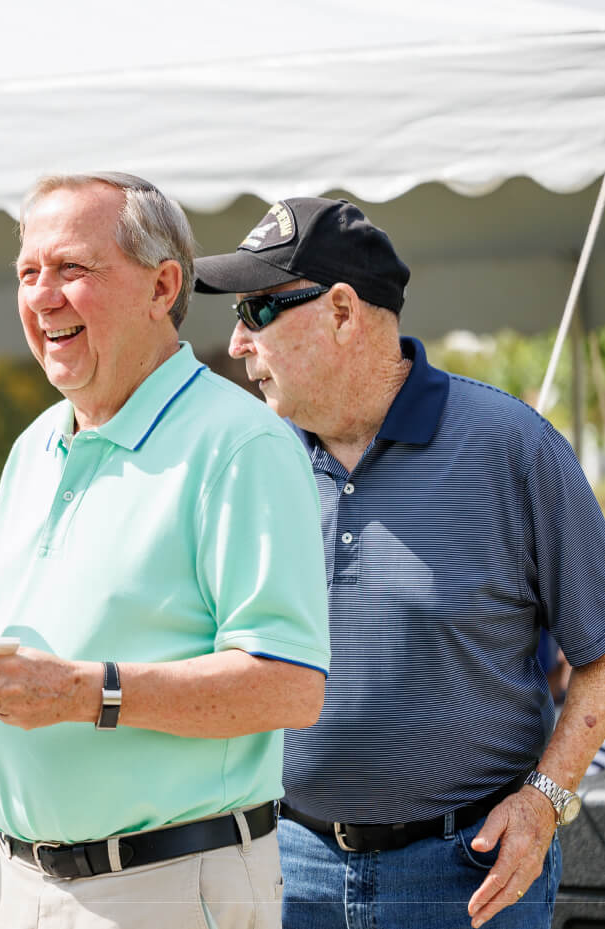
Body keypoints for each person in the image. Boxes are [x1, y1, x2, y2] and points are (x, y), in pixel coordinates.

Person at [0, 172, 331, 929]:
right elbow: (38, 663)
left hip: (164, 887)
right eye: (27, 272)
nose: (42, 296)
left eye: (71, 269)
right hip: (13, 880)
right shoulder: (33, 444)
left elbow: (287, 686)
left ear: (161, 285)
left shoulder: (239, 444)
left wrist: (87, 692)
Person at [196, 196, 605, 929]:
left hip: (471, 878)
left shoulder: (513, 446)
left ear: (343, 312)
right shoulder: (252, 462)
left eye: (256, 311)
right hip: (288, 871)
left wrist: (545, 800)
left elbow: (601, 654)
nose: (234, 343)